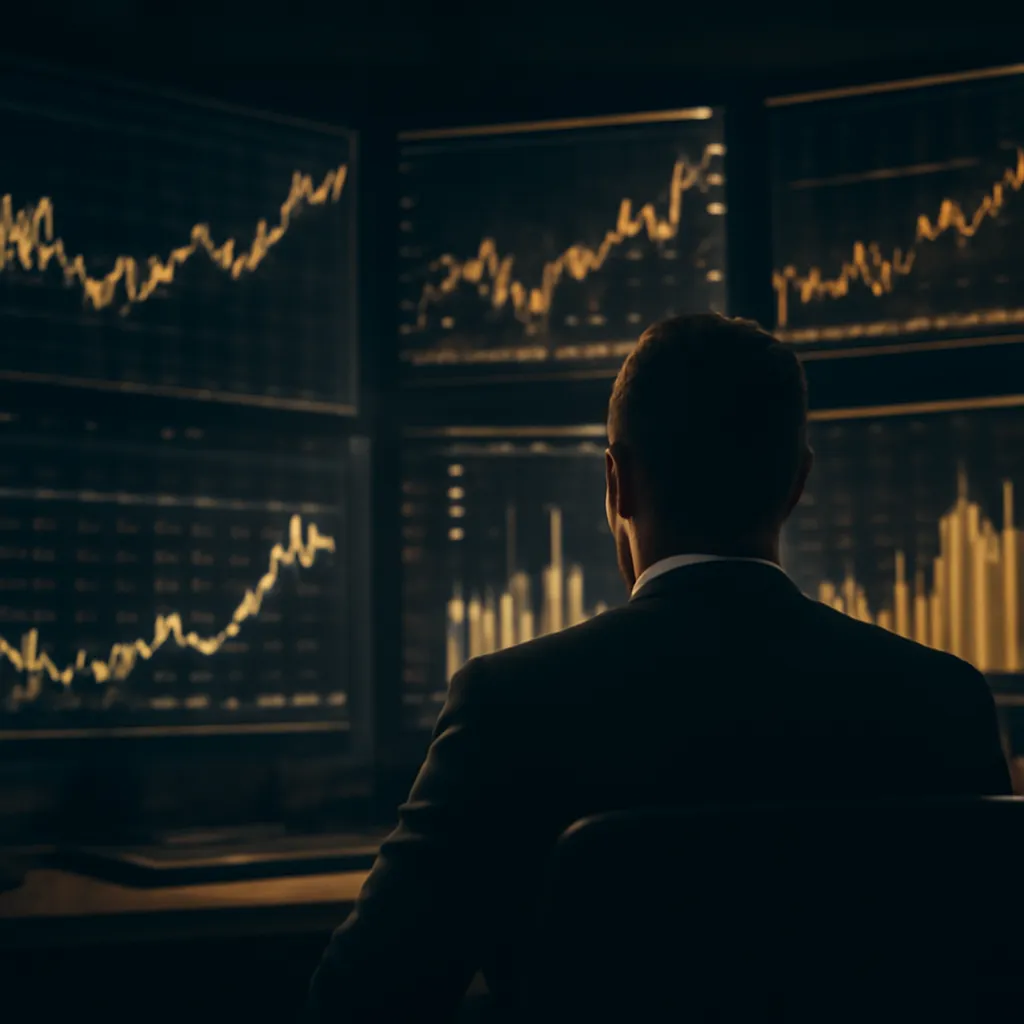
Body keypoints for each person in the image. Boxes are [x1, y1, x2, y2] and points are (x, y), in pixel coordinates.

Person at [307, 313, 1011, 1022]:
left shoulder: (509, 706)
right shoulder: (946, 702)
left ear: (617, 484)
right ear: (797, 484)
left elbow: (359, 1000)